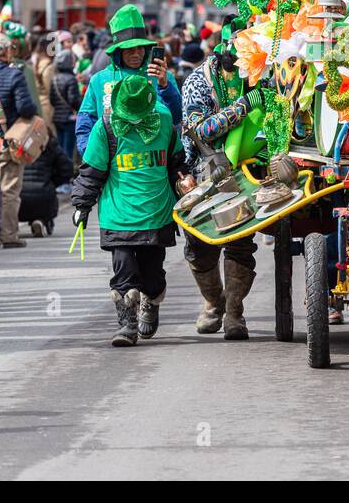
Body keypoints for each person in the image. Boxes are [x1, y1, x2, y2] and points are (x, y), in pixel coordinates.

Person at [72, 74, 184, 346]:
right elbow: (91, 172)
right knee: (123, 270)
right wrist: (81, 205)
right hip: (118, 214)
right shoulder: (106, 127)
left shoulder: (165, 120)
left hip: (156, 211)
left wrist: (186, 190)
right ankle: (127, 323)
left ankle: (152, 299)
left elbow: (176, 162)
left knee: (152, 271)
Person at [177, 40, 268, 339]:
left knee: (240, 242)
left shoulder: (258, 74)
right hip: (203, 172)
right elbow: (199, 129)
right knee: (199, 247)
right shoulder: (198, 81)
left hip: (248, 172)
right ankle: (213, 304)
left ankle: (234, 312)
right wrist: (243, 106)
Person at [75, 4, 181, 157]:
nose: (136, 53)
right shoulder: (99, 81)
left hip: (153, 168)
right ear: (118, 50)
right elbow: (85, 122)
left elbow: (176, 117)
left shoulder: (161, 76)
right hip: (112, 168)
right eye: (130, 49)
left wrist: (165, 86)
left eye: (140, 48)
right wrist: (90, 155)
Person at [0, 31, 37, 248]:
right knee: (10, 189)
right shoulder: (15, 75)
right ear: (7, 51)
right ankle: (8, 234)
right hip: (8, 139)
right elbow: (25, 107)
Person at [19, 133, 73, 237]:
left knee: (10, 201)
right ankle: (41, 221)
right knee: (47, 200)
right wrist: (52, 183)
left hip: (17, 198)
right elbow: (67, 168)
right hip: (43, 197)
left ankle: (9, 229)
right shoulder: (48, 142)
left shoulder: (13, 139)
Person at [49, 49, 82, 162]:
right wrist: (80, 107)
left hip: (57, 117)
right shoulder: (71, 79)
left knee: (61, 146)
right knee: (68, 148)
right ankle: (67, 172)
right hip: (69, 119)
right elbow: (73, 99)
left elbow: (52, 100)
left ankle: (60, 171)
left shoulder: (54, 79)